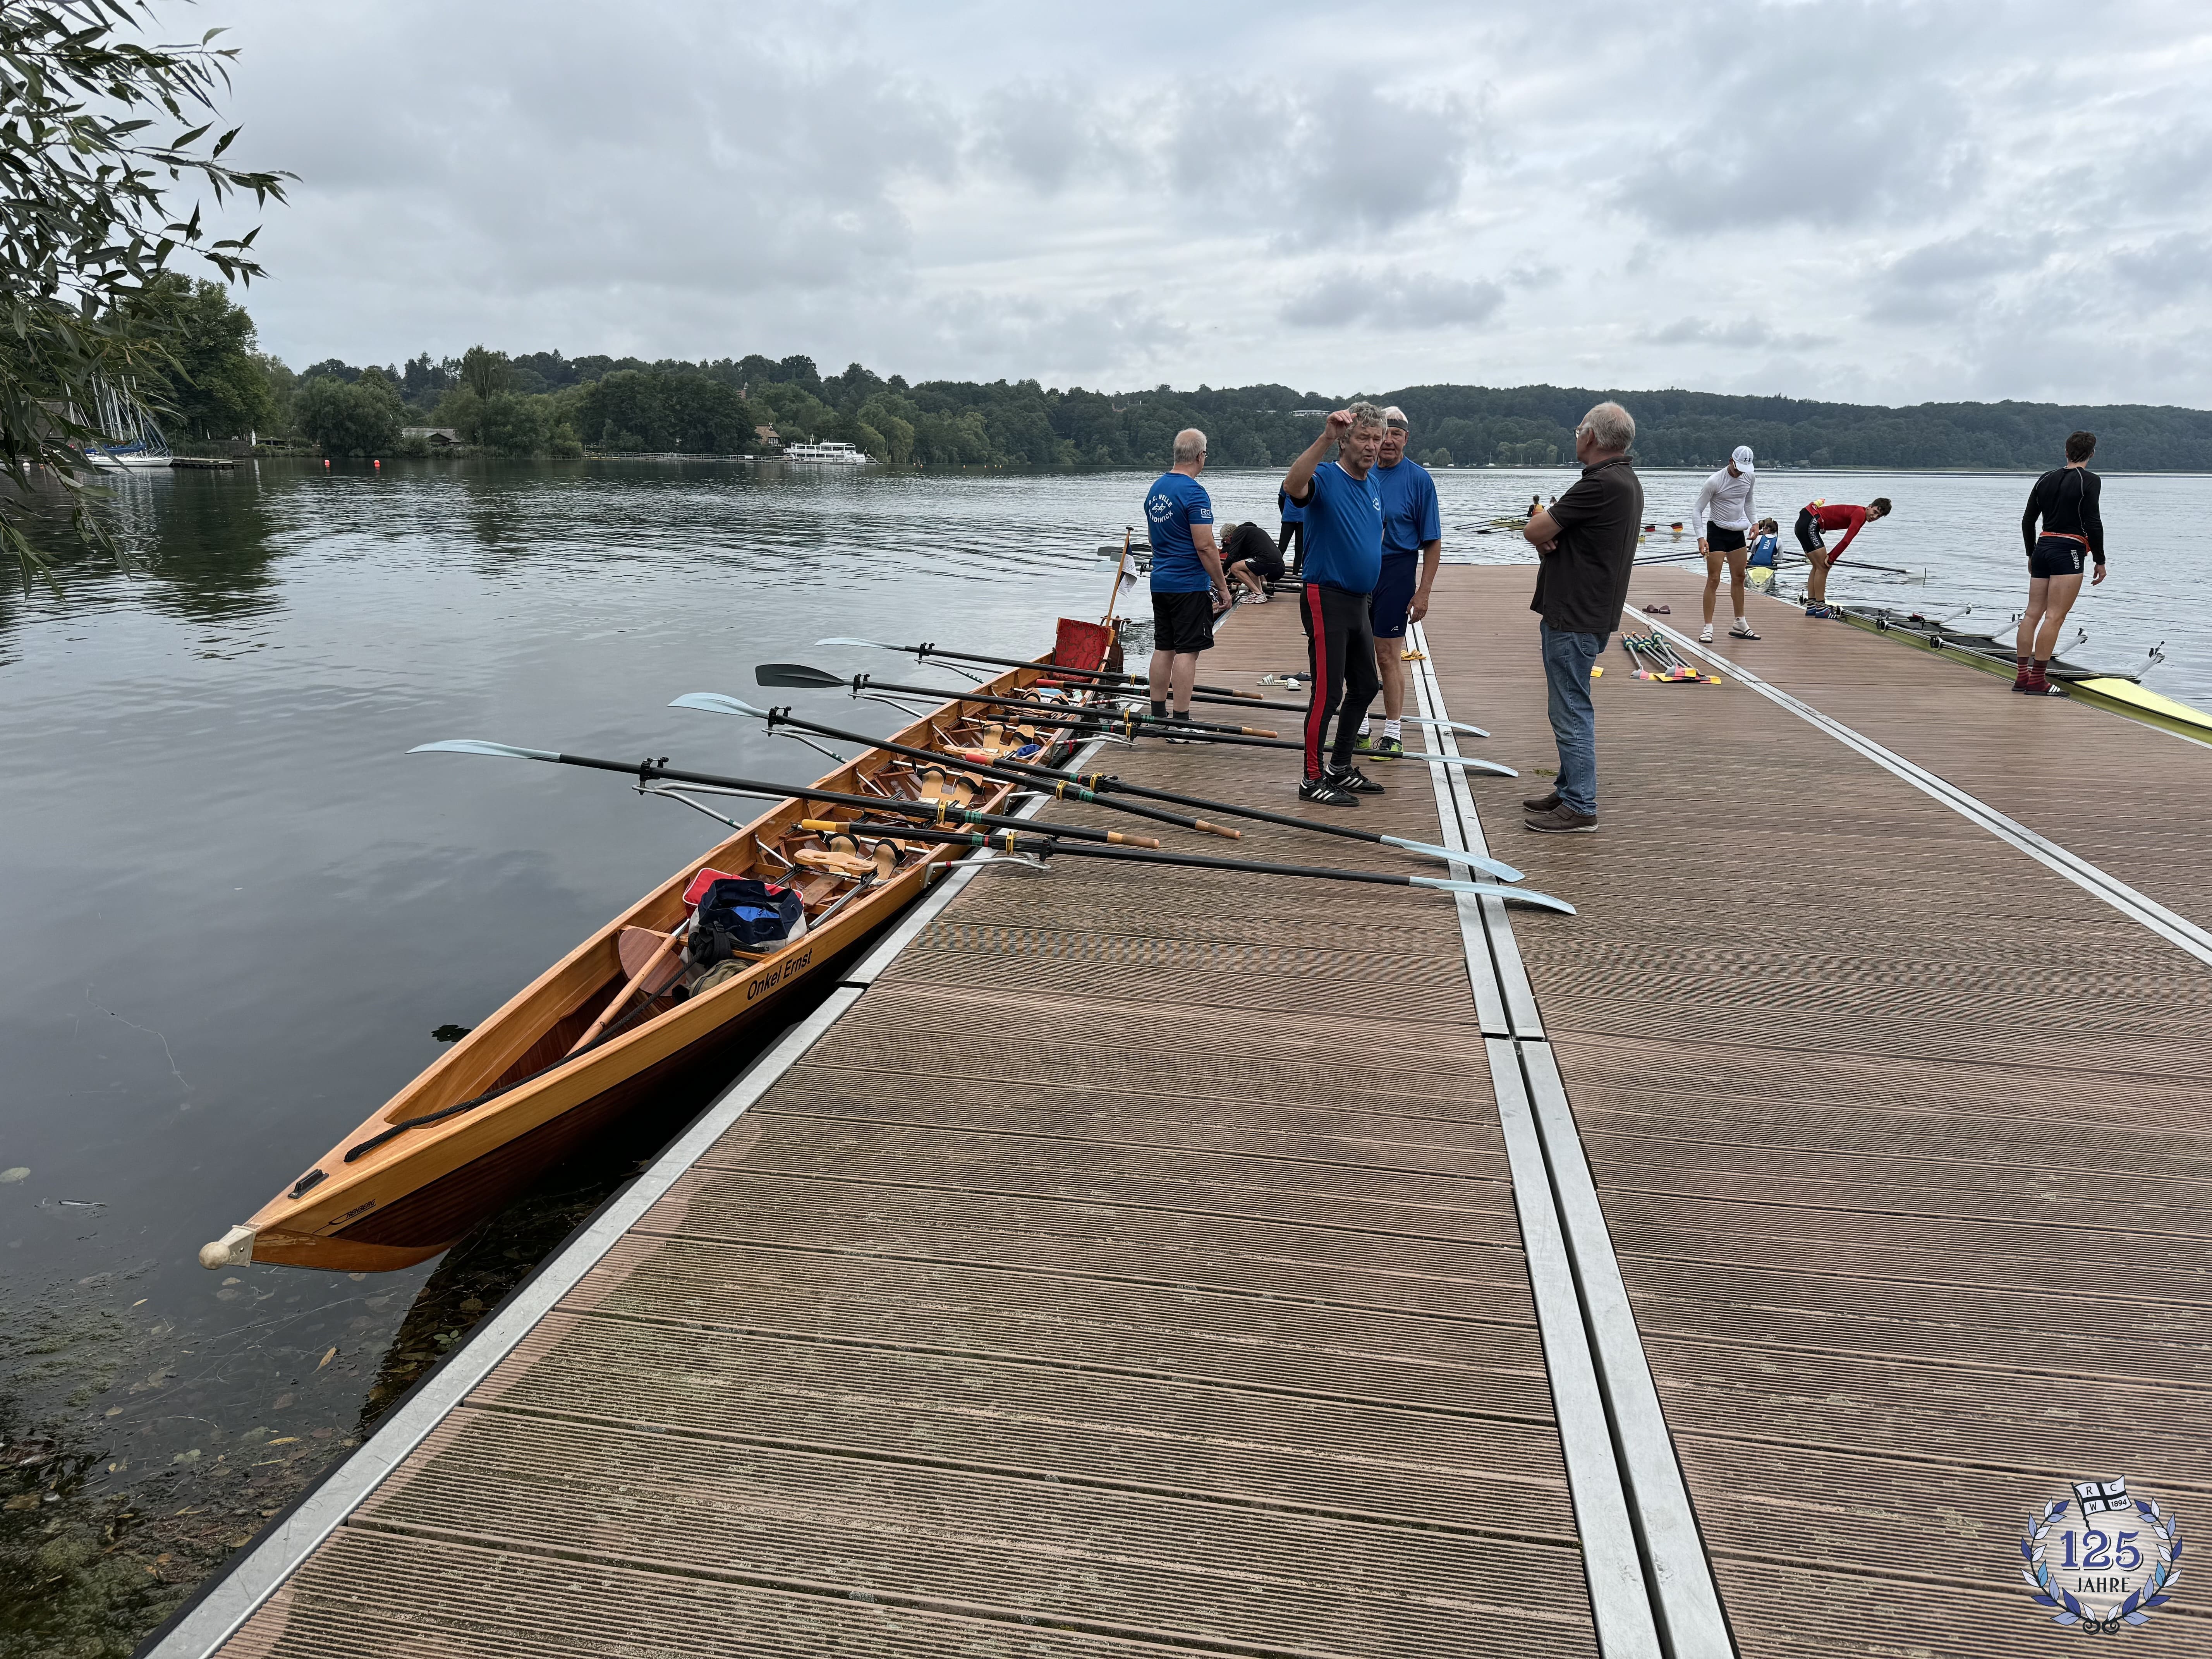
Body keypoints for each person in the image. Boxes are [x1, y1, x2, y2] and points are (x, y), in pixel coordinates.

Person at [1520, 402, 1642, 833]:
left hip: (1574, 614)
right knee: (1569, 703)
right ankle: (1569, 785)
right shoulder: (1624, 480)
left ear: (1591, 436)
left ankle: (1580, 804)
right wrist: (1552, 532)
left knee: (1570, 708)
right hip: (1590, 611)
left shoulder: (1599, 485)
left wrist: (1543, 528)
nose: (1576, 437)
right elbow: (1559, 535)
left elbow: (1536, 530)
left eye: (1578, 431)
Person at [1281, 402, 1388, 805]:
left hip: (1359, 600)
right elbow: (1293, 486)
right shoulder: (1325, 475)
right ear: (1345, 441)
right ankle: (1311, 780)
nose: (1372, 447)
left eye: (1378, 439)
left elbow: (1373, 535)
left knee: (1366, 686)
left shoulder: (1374, 484)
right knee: (1327, 694)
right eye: (1363, 438)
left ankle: (1339, 767)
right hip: (1325, 596)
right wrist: (1325, 436)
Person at [1356, 406, 1441, 760]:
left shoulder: (1419, 480)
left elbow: (1433, 541)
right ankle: (1358, 729)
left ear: (1407, 438)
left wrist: (1423, 592)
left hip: (1397, 570)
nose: (1387, 441)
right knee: (1355, 655)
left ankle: (1392, 733)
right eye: (1382, 434)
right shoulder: (1359, 473)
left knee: (1388, 656)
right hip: (1359, 571)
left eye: (1395, 434)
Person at [1142, 428, 1231, 738]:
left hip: (1161, 581)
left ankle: (1156, 716)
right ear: (1200, 456)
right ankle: (1180, 721)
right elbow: (1206, 547)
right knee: (1188, 652)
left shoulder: (1156, 489)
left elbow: (1154, 539)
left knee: (1164, 646)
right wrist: (1222, 587)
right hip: (1188, 585)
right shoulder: (1195, 492)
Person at [2016, 431, 2107, 694]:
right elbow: (2093, 522)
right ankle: (2037, 682)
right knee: (2055, 616)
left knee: (2032, 613)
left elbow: (2027, 520)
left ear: (2066, 452)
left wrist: (2031, 554)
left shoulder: (2045, 478)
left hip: (2043, 547)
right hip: (2069, 549)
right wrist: (2100, 560)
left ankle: (2022, 677)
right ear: (2092, 454)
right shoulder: (2089, 480)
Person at [1692, 445, 1760, 642]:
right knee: (1714, 579)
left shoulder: (1750, 477)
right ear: (1731, 461)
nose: (1740, 473)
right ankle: (1708, 627)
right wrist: (1701, 537)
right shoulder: (1714, 482)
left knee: (1739, 577)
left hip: (1737, 532)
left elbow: (1749, 501)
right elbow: (1698, 510)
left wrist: (1755, 522)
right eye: (1738, 468)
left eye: (1743, 470)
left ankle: (1740, 622)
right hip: (1717, 531)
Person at [1794, 495, 1892, 615]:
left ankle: (1812, 607)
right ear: (1870, 506)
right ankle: (1821, 608)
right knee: (1823, 568)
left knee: (1817, 567)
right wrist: (1831, 559)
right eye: (1875, 512)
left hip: (1805, 523)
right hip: (1811, 523)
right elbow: (1847, 540)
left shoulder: (1860, 513)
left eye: (1879, 516)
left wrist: (1831, 557)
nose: (1875, 517)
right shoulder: (1860, 514)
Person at [1218, 519, 1285, 602]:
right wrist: (1228, 578)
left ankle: (1257, 594)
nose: (1226, 542)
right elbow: (1240, 558)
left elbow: (1232, 556)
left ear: (1229, 536)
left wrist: (1221, 574)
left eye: (1225, 540)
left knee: (1234, 568)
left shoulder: (1238, 533)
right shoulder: (1247, 532)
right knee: (1249, 567)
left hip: (1268, 560)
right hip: (1278, 561)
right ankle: (1260, 594)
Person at [1277, 484, 1307, 577]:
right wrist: (1285, 513)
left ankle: (1296, 574)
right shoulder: (1286, 483)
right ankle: (1274, 570)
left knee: (1299, 549)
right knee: (1282, 547)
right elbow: (1281, 501)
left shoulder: (1308, 483)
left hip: (1303, 520)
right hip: (1288, 519)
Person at [1746, 517, 1781, 590]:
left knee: (1752, 557)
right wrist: (1771, 556)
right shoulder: (1779, 540)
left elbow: (1752, 552)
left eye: (1764, 529)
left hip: (1754, 563)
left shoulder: (1758, 537)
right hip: (1768, 564)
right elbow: (1780, 558)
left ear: (1767, 529)